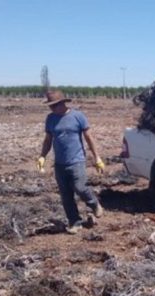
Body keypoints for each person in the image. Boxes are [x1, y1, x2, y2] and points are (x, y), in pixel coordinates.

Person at [37, 90, 105, 234]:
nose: (52, 109)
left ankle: (94, 203)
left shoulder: (77, 116)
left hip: (77, 161)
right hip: (60, 163)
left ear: (62, 103)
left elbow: (89, 138)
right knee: (66, 195)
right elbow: (48, 140)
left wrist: (97, 157)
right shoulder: (50, 119)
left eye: (54, 106)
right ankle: (75, 222)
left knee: (80, 187)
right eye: (50, 106)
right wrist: (42, 156)